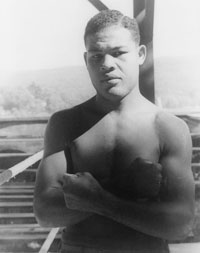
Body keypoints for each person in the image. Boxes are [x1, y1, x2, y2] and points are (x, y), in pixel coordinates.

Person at [34, 10, 195, 253]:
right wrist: (124, 186)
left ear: (140, 54)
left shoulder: (168, 128)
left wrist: (95, 199)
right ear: (86, 59)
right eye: (96, 56)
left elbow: (180, 224)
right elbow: (45, 213)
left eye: (118, 53)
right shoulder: (66, 123)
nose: (107, 65)